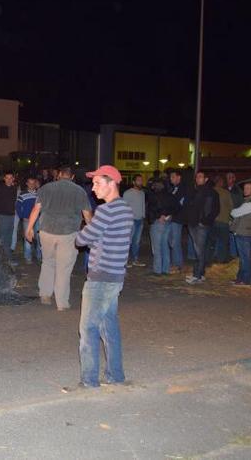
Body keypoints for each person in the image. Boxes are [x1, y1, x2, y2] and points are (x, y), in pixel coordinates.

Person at [74, 165, 134, 388]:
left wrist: (87, 234)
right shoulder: (125, 209)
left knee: (88, 329)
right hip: (116, 275)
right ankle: (115, 375)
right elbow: (99, 236)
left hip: (100, 276)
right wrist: (94, 237)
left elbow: (81, 239)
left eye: (98, 183)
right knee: (109, 327)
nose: (93, 188)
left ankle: (89, 380)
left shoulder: (107, 211)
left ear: (112, 184)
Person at [25, 167, 92, 310]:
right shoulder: (79, 191)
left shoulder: (46, 188)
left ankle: (45, 294)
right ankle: (61, 302)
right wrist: (92, 232)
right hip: (68, 233)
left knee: (48, 262)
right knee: (64, 267)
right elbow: (87, 214)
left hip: (47, 231)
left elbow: (36, 209)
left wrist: (29, 228)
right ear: (72, 177)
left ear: (59, 175)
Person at [185, 171, 220, 284]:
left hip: (201, 225)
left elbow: (211, 209)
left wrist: (204, 221)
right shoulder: (195, 191)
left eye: (200, 177)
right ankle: (201, 273)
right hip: (193, 223)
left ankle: (198, 275)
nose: (198, 179)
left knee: (199, 250)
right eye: (197, 177)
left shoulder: (210, 192)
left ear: (206, 179)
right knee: (199, 250)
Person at [229, 180, 251, 287]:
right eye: (245, 188)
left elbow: (234, 213)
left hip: (245, 233)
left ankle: (245, 280)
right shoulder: (248, 201)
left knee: (245, 257)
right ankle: (240, 279)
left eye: (248, 188)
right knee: (243, 257)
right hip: (242, 232)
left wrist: (235, 211)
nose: (245, 190)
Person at [146, 180, 179, 275]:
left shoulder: (154, 196)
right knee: (165, 245)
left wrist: (159, 215)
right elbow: (177, 207)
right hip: (167, 221)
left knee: (157, 247)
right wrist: (169, 215)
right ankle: (165, 269)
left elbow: (152, 209)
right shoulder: (170, 196)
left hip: (157, 222)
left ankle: (157, 270)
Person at [122, 174, 146, 267]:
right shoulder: (128, 193)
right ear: (134, 182)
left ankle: (135, 260)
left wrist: (143, 216)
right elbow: (124, 207)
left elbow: (143, 205)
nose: (140, 182)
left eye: (141, 180)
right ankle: (125, 261)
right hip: (130, 221)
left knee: (137, 241)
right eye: (138, 180)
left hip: (140, 220)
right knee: (128, 241)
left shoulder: (142, 193)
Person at [16, 177, 41, 264]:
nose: (31, 185)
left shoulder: (39, 194)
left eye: (33, 183)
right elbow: (18, 206)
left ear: (35, 183)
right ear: (27, 183)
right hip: (27, 219)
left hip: (37, 219)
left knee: (39, 238)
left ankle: (39, 257)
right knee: (28, 238)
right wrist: (22, 216)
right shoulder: (22, 194)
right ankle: (28, 257)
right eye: (29, 183)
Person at [168, 170, 189, 273]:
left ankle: (177, 264)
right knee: (173, 241)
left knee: (175, 241)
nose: (170, 178)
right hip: (174, 217)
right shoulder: (174, 188)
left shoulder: (182, 188)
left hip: (177, 218)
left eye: (172, 176)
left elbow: (178, 203)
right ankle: (176, 263)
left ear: (178, 177)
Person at [209, 175, 233, 264]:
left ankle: (211, 258)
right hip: (224, 220)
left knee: (212, 241)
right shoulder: (226, 193)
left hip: (212, 220)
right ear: (220, 182)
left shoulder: (210, 191)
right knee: (223, 241)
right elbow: (231, 207)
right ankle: (221, 259)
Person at [0, 171, 18, 258]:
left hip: (11, 216)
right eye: (7, 178)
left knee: (9, 237)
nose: (8, 180)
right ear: (4, 179)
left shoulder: (14, 189)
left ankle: (7, 257)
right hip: (2, 216)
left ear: (13, 179)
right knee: (1, 237)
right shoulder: (0, 188)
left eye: (10, 178)